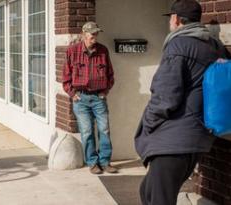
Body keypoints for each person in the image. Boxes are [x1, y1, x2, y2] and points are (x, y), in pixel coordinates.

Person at [134, 0, 229, 204]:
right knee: (147, 190)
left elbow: (165, 94)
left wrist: (149, 123)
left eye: (170, 18)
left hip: (174, 139)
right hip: (198, 137)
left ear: (175, 19)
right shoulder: (215, 46)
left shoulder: (179, 44)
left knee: (157, 198)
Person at [62, 22, 117, 175]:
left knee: (104, 130)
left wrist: (105, 91)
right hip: (81, 99)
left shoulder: (103, 50)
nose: (95, 36)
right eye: (92, 33)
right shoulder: (73, 51)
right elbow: (65, 77)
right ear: (83, 34)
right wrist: (72, 94)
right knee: (87, 132)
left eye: (96, 33)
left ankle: (105, 162)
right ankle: (92, 162)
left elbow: (110, 75)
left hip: (99, 97)